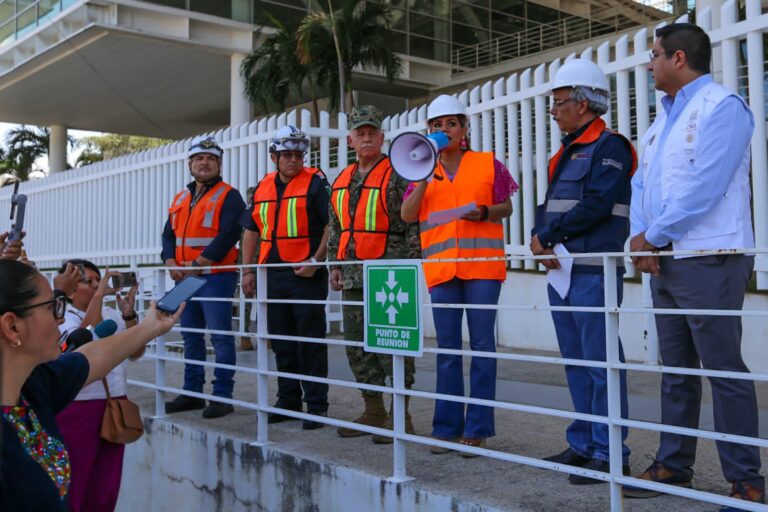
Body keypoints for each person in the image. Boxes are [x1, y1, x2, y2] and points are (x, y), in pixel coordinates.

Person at [625, 23, 764, 510]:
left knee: (724, 369)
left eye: (655, 55)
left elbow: (706, 185)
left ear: (678, 58)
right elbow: (641, 186)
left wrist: (653, 235)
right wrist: (641, 238)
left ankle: (746, 480)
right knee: (676, 371)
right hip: (665, 260)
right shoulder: (661, 120)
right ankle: (673, 464)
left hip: (710, 258)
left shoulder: (722, 107)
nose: (650, 64)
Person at [0, 259, 182, 511]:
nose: (59, 318)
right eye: (52, 306)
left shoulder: (36, 384)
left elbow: (95, 356)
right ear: (12, 326)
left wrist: (152, 326)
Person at [528, 59, 635, 483]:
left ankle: (611, 453)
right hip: (564, 272)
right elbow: (549, 206)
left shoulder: (611, 147)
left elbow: (597, 204)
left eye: (558, 103)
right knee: (576, 361)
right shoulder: (566, 151)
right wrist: (538, 237)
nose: (553, 111)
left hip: (593, 271)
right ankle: (585, 443)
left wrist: (548, 235)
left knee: (601, 364)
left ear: (583, 103)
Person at [401, 94, 515, 456]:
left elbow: (507, 206)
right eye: (437, 125)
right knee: (447, 350)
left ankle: (477, 429)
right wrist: (423, 174)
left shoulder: (487, 163)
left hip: (482, 268)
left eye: (452, 123)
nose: (445, 130)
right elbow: (407, 214)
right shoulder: (419, 168)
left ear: (464, 128)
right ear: (428, 131)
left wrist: (483, 212)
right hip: (442, 271)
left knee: (482, 347)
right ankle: (446, 428)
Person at [328, 105, 420, 443]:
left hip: (389, 273)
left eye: (372, 133)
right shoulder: (342, 179)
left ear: (382, 138)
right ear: (350, 140)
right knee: (357, 346)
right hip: (352, 274)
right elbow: (336, 226)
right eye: (360, 133)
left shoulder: (398, 173)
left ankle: (401, 415)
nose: (366, 138)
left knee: (392, 345)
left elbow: (412, 223)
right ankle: (374, 409)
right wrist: (334, 264)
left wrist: (412, 264)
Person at [241, 125, 330, 430]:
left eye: (298, 155)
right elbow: (251, 231)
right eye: (287, 154)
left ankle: (316, 406)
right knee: (281, 341)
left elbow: (332, 225)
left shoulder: (316, 183)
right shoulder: (262, 187)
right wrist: (248, 270)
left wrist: (316, 261)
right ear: (274, 157)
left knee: (310, 341)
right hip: (273, 274)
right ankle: (288, 400)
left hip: (306, 275)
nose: (293, 160)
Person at [161, 136, 245, 419]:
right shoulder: (180, 198)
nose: (204, 163)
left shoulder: (230, 196)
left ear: (219, 164)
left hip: (216, 277)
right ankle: (192, 393)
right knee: (191, 336)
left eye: (211, 158)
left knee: (220, 337)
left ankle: (222, 396)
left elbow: (229, 234)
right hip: (185, 278)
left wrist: (198, 264)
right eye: (199, 158)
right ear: (190, 164)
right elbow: (168, 236)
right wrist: (170, 261)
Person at [54, 260, 140, 512]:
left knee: (106, 485)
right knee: (76, 481)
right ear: (70, 287)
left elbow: (136, 353)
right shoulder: (63, 316)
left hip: (114, 402)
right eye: (87, 281)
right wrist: (100, 296)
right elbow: (84, 344)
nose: (95, 285)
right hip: (77, 407)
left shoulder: (112, 315)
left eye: (97, 280)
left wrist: (129, 316)